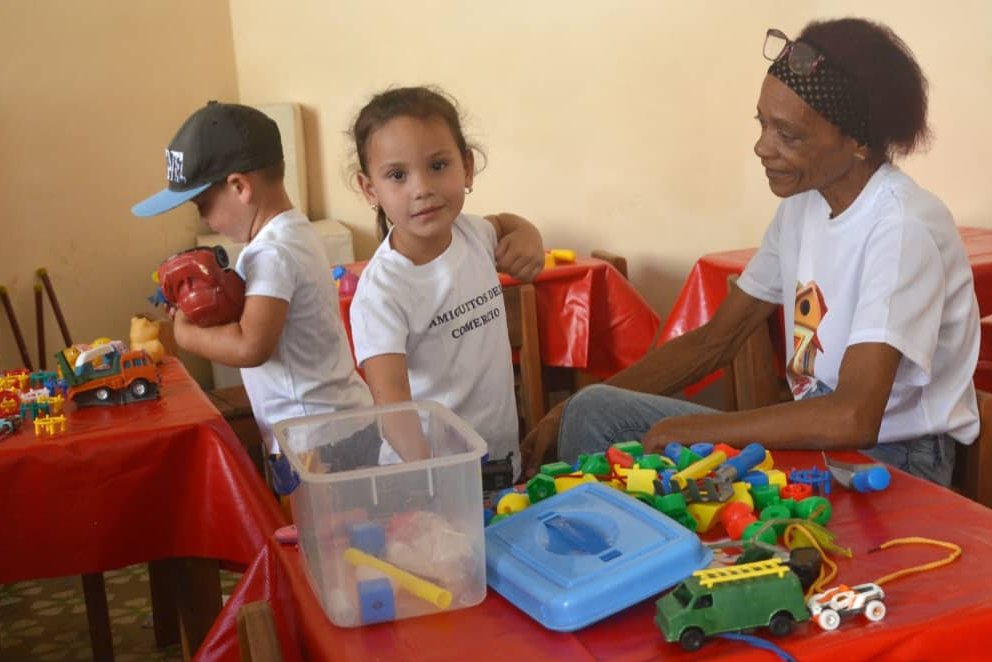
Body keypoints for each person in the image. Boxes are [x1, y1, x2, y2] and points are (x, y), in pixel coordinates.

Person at [520, 18, 979, 487]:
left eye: (788, 135)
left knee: (663, 456)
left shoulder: (902, 227)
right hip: (823, 442)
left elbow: (854, 417)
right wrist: (568, 408)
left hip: (894, 460)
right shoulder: (804, 204)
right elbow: (715, 340)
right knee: (594, 413)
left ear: (858, 141)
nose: (762, 147)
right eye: (763, 124)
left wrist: (706, 428)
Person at [132, 101, 372, 467]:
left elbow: (250, 346)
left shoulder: (270, 253)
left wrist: (183, 331)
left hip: (319, 440)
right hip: (336, 427)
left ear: (240, 186)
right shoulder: (293, 232)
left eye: (203, 206)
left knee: (325, 526)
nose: (207, 221)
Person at [348, 86, 545, 479]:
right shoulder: (382, 292)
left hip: (500, 465)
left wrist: (529, 233)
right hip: (426, 478)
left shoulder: (474, 235)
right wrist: (429, 480)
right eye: (397, 175)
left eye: (438, 166)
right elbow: (393, 408)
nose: (421, 188)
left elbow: (505, 222)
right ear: (371, 189)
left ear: (467, 168)